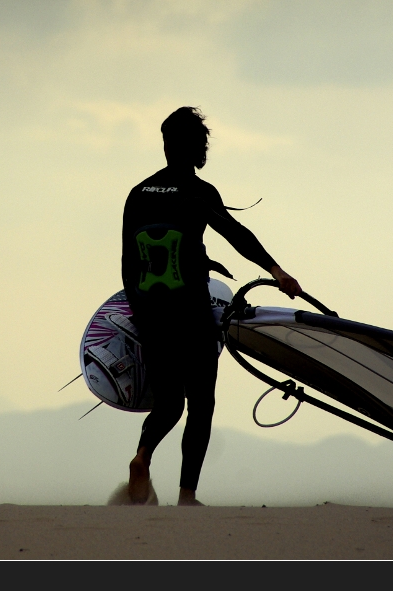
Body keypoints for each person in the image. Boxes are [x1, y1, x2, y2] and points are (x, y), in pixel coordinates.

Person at [120, 106, 301, 506]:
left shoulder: (138, 193)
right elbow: (237, 233)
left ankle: (142, 457)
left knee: (168, 403)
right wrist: (277, 271)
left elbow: (129, 264)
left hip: (151, 312)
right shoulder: (198, 192)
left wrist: (140, 316)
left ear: (166, 146)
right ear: (199, 149)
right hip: (190, 312)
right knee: (200, 404)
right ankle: (187, 496)